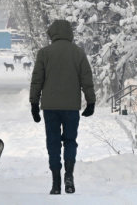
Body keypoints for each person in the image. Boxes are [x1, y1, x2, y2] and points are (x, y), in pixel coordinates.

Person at [29, 19, 96, 195]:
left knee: (53, 142)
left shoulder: (44, 53)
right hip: (71, 107)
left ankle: (56, 182)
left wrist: (34, 103)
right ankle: (69, 175)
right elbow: (86, 79)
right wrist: (90, 101)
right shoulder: (78, 53)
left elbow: (37, 80)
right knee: (70, 140)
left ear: (52, 34)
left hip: (50, 107)